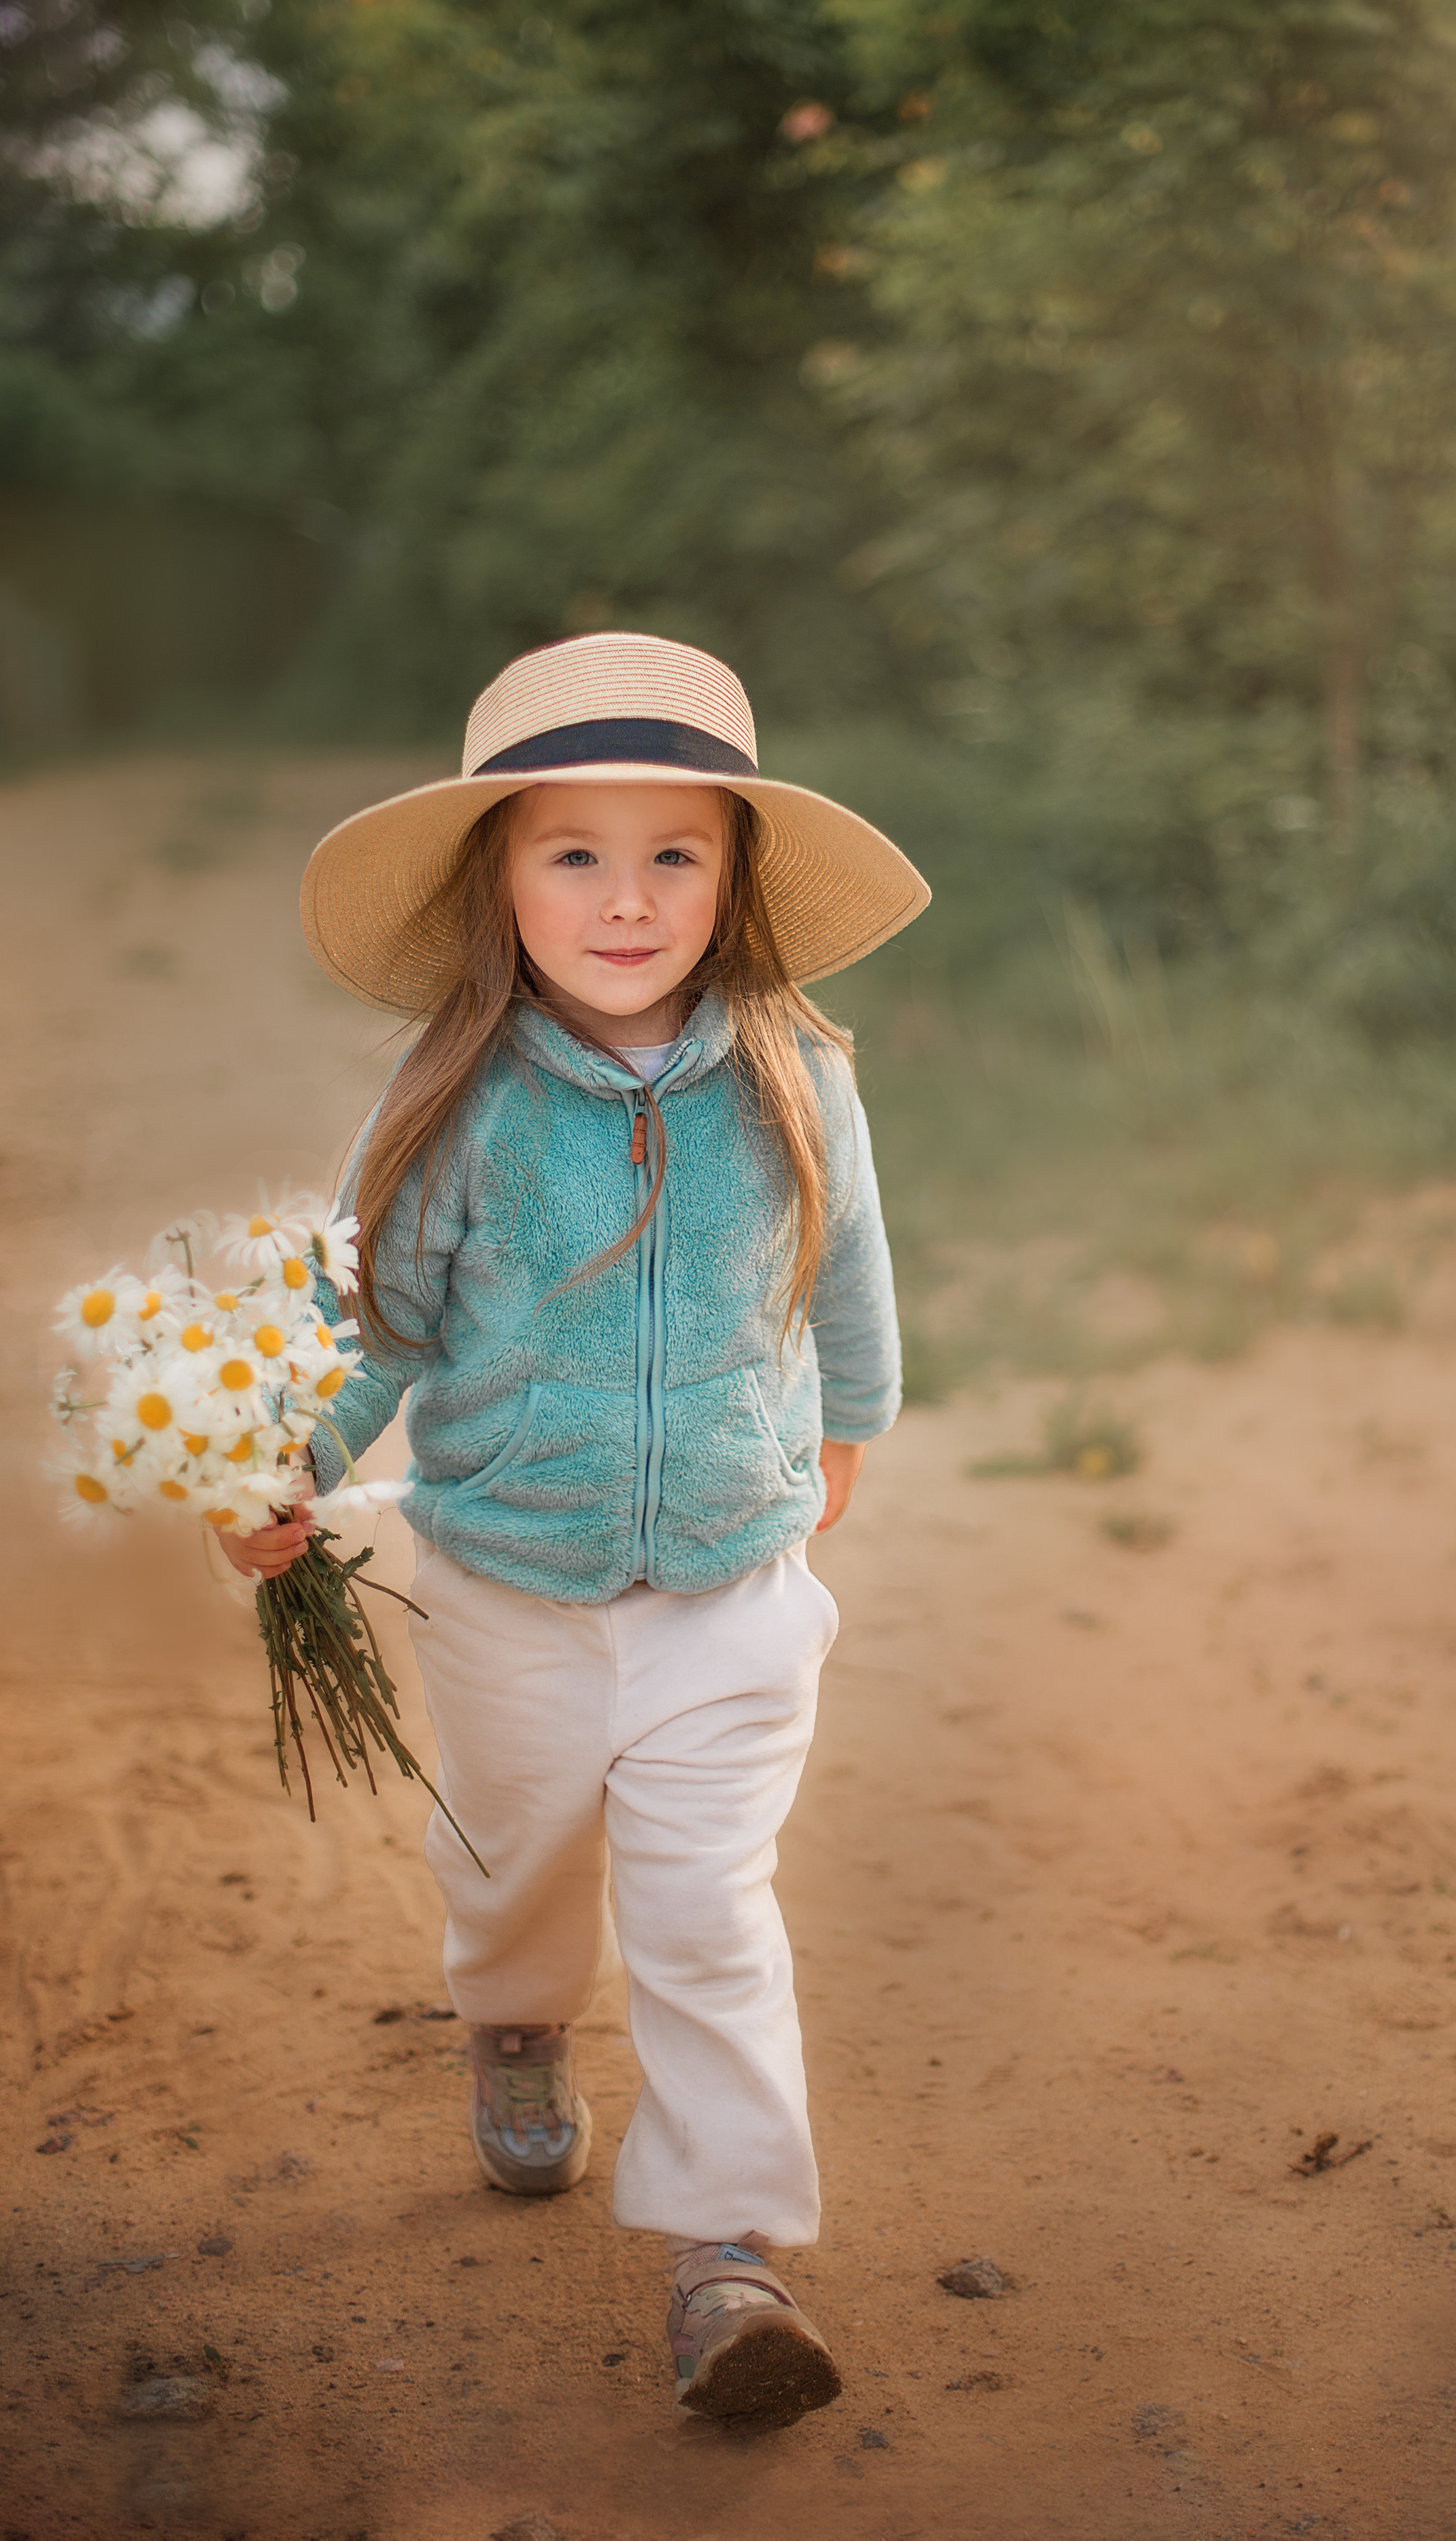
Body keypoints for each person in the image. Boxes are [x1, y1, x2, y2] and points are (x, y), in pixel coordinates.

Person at [219, 631, 928, 2429]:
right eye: (575, 853)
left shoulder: (795, 1075)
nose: (629, 899)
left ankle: (726, 2255)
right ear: (499, 879)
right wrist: (287, 1466)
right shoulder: (459, 1096)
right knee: (516, 1858)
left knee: (708, 1912)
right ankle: (517, 2015)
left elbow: (844, 1274)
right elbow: (382, 1318)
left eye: (674, 851)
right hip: (506, 1580)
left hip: (729, 1587)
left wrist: (850, 1427)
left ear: (735, 873)